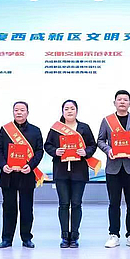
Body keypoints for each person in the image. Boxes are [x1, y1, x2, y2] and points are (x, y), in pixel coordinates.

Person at [97, 90, 130, 249]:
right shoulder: (107, 120)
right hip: (113, 168)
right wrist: (108, 150)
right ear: (114, 102)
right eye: (119, 99)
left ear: (129, 103)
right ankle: (114, 235)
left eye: (125, 100)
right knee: (114, 203)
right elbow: (100, 140)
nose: (122, 102)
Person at [44, 99, 98, 248]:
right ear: (62, 112)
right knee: (63, 204)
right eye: (66, 109)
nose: (69, 111)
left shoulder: (84, 128)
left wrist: (85, 152)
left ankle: (74, 236)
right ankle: (64, 236)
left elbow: (92, 145)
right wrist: (55, 151)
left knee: (76, 204)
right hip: (61, 171)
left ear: (76, 111)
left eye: (72, 108)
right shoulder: (56, 129)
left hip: (79, 171)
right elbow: (47, 145)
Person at [0, 101, 44, 248]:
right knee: (8, 208)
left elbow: (39, 151)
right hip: (8, 175)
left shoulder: (35, 131)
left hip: (26, 174)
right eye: (16, 110)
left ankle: (26, 238)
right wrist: (3, 165)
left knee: (26, 208)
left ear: (27, 113)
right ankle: (7, 238)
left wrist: (30, 166)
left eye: (22, 110)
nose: (19, 112)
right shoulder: (5, 130)